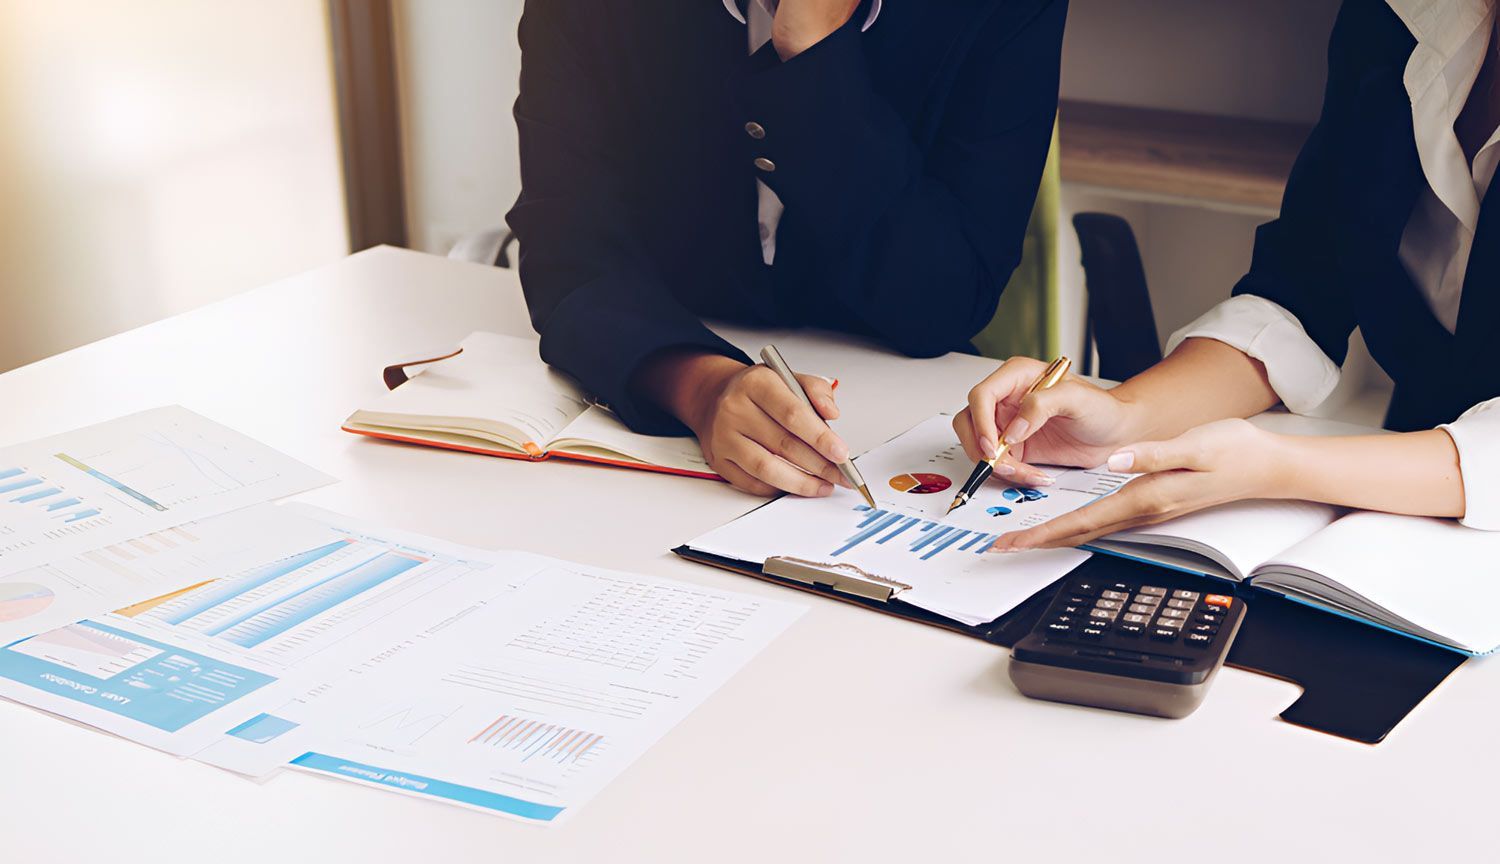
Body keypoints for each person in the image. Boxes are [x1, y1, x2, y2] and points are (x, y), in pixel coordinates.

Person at [954, 0, 1500, 551]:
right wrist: (1125, 416)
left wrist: (1279, 466)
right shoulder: (1395, 15)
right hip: (1418, 514)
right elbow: (1304, 286)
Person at [507, 0, 1068, 497]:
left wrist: (815, 54)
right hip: (661, 428)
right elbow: (566, 251)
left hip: (899, 409)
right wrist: (701, 387)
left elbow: (940, 304)